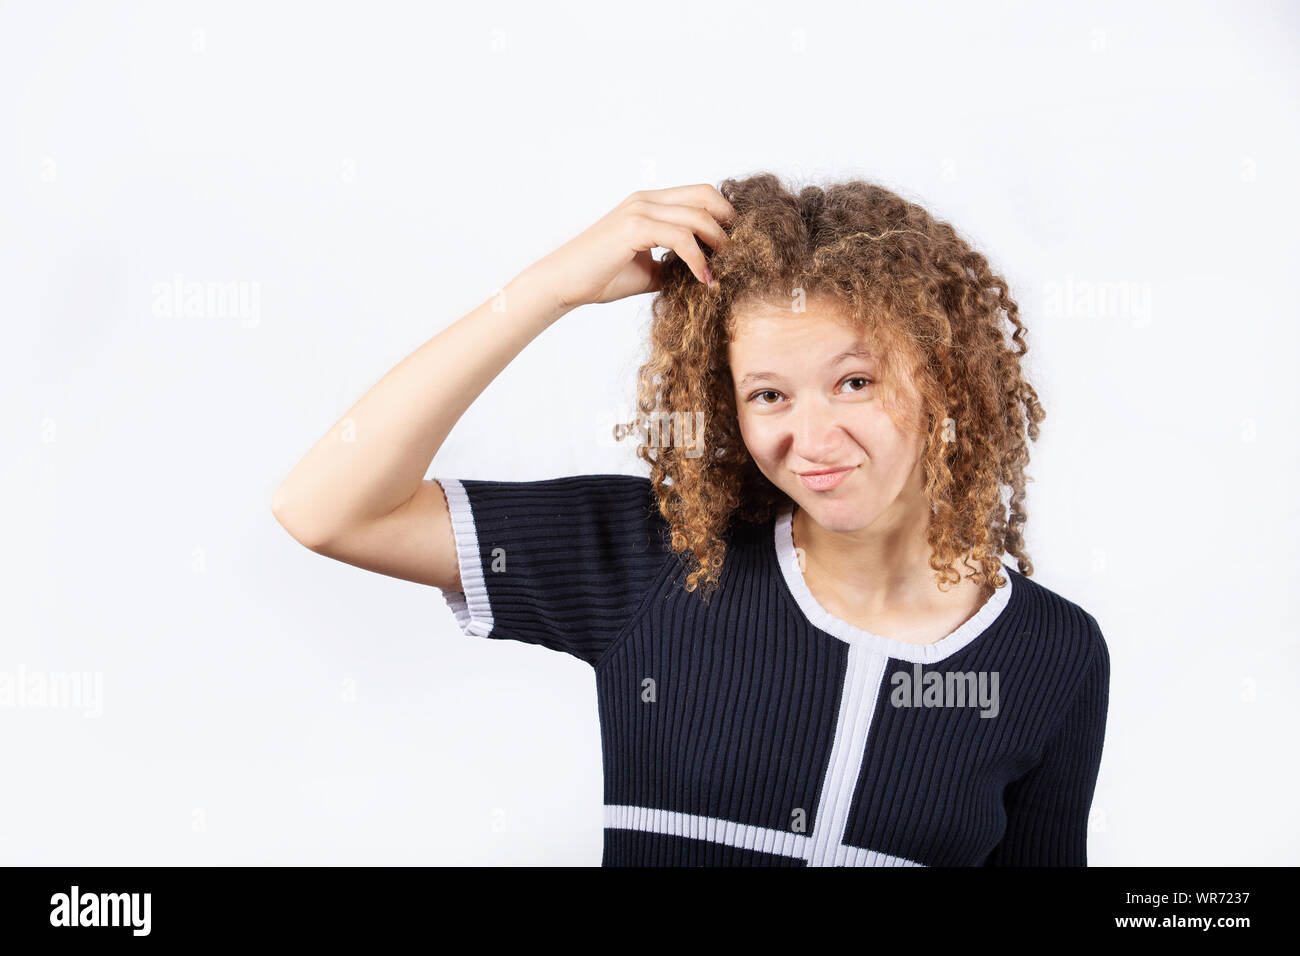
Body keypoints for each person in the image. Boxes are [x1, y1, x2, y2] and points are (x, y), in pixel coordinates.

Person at [272, 174, 1110, 866]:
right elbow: (327, 509)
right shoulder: (661, 560)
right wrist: (547, 290)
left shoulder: (1053, 656)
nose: (812, 439)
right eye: (768, 395)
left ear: (946, 377)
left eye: (855, 381)